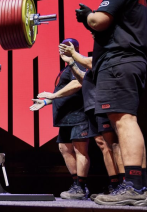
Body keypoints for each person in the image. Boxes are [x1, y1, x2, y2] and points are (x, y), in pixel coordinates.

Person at [75, 1, 147, 205]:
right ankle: (139, 185)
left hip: (117, 62)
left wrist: (88, 16)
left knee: (124, 120)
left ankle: (133, 186)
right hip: (129, 62)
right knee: (126, 121)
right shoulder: (140, 7)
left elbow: (98, 21)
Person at [58, 41, 123, 200]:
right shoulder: (81, 63)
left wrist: (73, 56)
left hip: (101, 103)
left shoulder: (100, 57)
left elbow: (82, 74)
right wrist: (72, 61)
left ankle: (123, 184)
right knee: (103, 145)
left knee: (111, 144)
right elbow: (82, 78)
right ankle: (114, 186)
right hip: (91, 106)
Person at [30, 38, 91, 200]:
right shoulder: (66, 67)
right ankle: (76, 184)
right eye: (60, 47)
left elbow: (78, 84)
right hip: (66, 116)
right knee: (64, 149)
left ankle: (81, 187)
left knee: (80, 150)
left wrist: (53, 95)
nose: (62, 50)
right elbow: (64, 91)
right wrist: (45, 101)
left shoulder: (78, 63)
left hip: (79, 114)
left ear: (74, 48)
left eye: (66, 47)